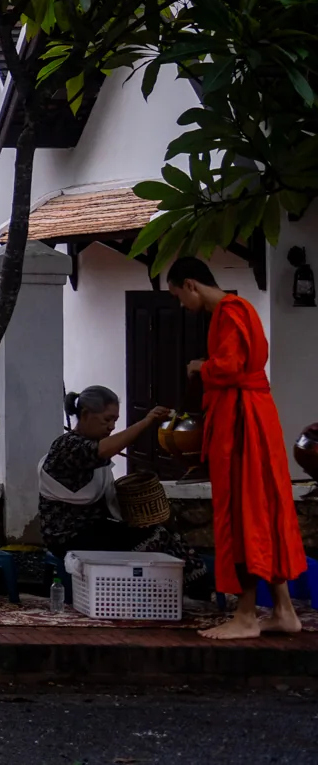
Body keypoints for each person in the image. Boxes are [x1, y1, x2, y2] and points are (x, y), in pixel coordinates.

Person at [168, 257, 304, 638]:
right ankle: (284, 610)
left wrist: (200, 367)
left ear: (191, 285)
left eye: (179, 296)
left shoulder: (229, 311)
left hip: (243, 421)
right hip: (254, 417)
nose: (182, 305)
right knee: (262, 509)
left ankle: (245, 616)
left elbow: (229, 367)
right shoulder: (235, 310)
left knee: (244, 511)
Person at [38, 386, 182, 558]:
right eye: (107, 420)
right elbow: (99, 451)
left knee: (165, 534)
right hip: (69, 537)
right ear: (85, 415)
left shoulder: (92, 443)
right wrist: (146, 422)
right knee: (157, 539)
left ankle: (191, 580)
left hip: (96, 530)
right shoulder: (67, 446)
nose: (112, 427)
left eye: (115, 420)